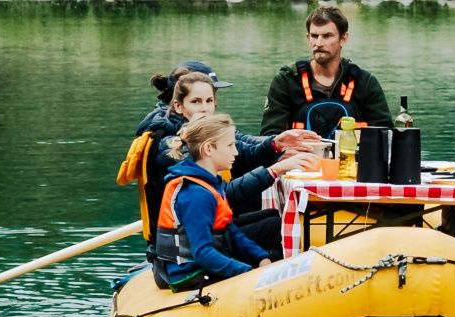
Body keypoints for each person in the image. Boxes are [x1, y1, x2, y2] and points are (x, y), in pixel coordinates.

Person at [125, 63, 317, 257]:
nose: (205, 109)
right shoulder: (173, 146)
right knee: (275, 227)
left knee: (273, 216)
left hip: (206, 224)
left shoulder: (203, 130)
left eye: (209, 100)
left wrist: (275, 143)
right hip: (184, 241)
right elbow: (219, 195)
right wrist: (274, 170)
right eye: (196, 101)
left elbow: (244, 146)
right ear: (178, 105)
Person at [153, 113, 274, 290]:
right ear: (208, 149)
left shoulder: (209, 183)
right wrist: (248, 272)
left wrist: (260, 257)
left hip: (204, 265)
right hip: (189, 274)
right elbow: (202, 253)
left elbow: (229, 230)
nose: (236, 152)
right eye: (231, 145)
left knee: (273, 252)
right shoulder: (196, 194)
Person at [259, 5, 393, 136]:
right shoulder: (286, 81)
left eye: (327, 36)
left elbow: (386, 135)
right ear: (308, 38)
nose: (318, 43)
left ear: (343, 38)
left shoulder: (365, 82)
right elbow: (269, 137)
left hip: (351, 157)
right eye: (314, 36)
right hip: (301, 157)